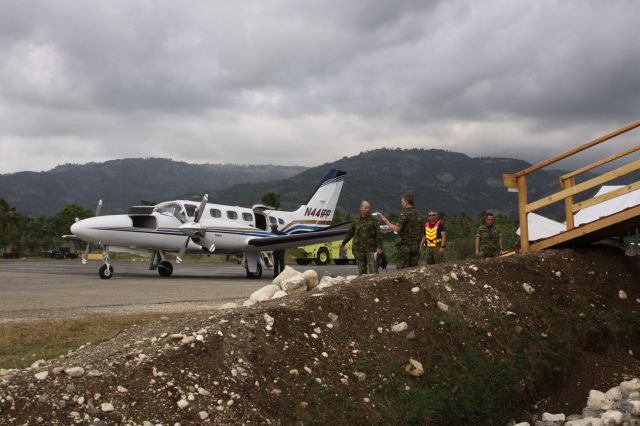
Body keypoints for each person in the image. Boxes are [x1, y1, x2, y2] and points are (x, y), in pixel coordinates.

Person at [381, 193, 423, 269]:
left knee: (402, 271)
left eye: (402, 201)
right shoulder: (419, 214)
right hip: (416, 246)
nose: (401, 203)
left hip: (405, 246)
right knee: (413, 270)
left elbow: (397, 229)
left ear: (406, 201)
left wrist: (387, 222)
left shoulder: (405, 213)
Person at [340, 200, 382, 275]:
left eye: (368, 208)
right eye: (365, 208)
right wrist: (343, 243)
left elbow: (378, 234)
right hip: (359, 250)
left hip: (371, 250)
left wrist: (379, 247)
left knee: (373, 272)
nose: (367, 209)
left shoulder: (374, 220)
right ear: (361, 208)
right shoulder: (356, 220)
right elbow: (350, 233)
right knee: (362, 273)